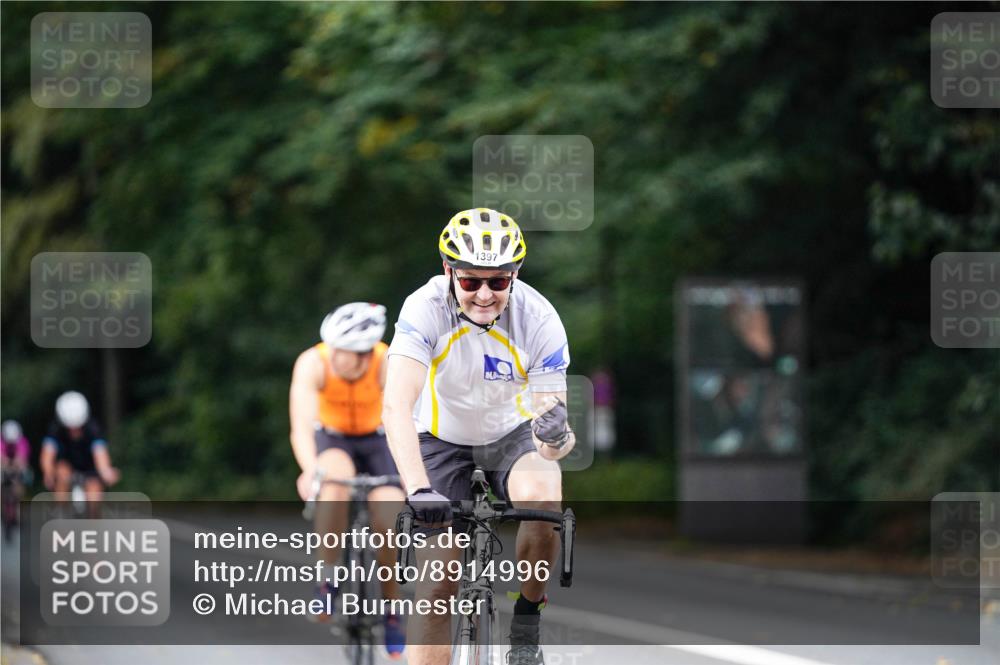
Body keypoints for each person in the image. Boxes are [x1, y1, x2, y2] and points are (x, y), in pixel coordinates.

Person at [382, 208, 575, 665]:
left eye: (498, 281)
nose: (485, 295)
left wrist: (555, 438)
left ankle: (526, 620)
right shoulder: (424, 308)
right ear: (448, 271)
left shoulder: (539, 319)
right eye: (470, 281)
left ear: (515, 275)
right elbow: (395, 407)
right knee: (437, 582)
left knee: (544, 494)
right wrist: (418, 490)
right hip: (440, 437)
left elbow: (555, 442)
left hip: (510, 433)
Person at [288, 302, 406, 658]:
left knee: (388, 516)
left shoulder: (387, 362)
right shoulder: (313, 362)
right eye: (334, 348)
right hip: (334, 438)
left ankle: (392, 608)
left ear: (366, 353)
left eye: (348, 352)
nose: (337, 357)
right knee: (333, 482)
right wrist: (310, 470)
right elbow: (301, 427)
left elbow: (407, 418)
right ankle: (328, 578)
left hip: (379, 439)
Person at [40, 392, 119, 504]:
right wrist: (48, 473)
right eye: (70, 427)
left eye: (77, 427)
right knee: (61, 472)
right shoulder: (55, 429)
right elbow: (47, 456)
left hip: (90, 468)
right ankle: (61, 511)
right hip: (66, 466)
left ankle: (93, 514)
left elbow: (100, 455)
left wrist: (106, 472)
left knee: (94, 492)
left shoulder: (93, 429)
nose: (74, 431)